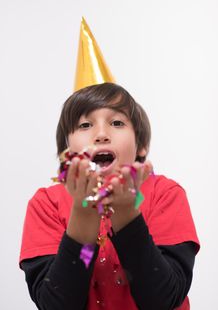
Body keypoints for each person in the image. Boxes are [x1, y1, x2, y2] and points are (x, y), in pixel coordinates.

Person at [19, 82, 199, 310]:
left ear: (141, 145)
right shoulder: (46, 204)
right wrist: (84, 213)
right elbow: (58, 304)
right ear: (67, 150)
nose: (101, 134)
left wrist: (126, 214)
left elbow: (162, 301)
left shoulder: (165, 194)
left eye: (116, 122)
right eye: (85, 124)